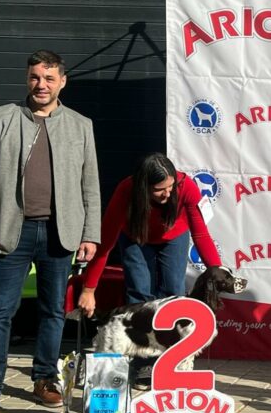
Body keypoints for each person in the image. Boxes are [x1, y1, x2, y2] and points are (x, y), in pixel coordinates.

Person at [0, 50, 101, 413]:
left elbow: (90, 185)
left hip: (59, 233)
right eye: (36, 77)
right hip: (10, 232)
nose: (42, 85)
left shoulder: (81, 125)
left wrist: (90, 234)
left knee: (53, 311)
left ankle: (45, 379)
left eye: (49, 78)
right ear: (27, 79)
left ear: (62, 82)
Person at [76, 153, 222, 389]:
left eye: (171, 187)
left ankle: (167, 363)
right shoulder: (126, 191)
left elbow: (201, 233)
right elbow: (105, 243)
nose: (167, 194)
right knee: (139, 294)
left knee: (173, 293)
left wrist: (215, 270)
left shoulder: (186, 187)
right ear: (143, 186)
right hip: (135, 236)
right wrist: (89, 289)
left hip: (174, 235)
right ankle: (142, 362)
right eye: (159, 189)